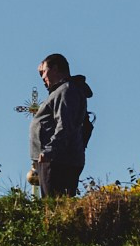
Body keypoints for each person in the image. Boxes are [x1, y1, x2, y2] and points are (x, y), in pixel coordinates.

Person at [28, 53, 93, 198]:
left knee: (54, 206)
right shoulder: (62, 91)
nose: (42, 77)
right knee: (53, 204)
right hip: (56, 159)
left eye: (44, 72)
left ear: (55, 68)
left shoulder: (66, 91)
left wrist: (49, 150)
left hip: (58, 160)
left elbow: (65, 125)